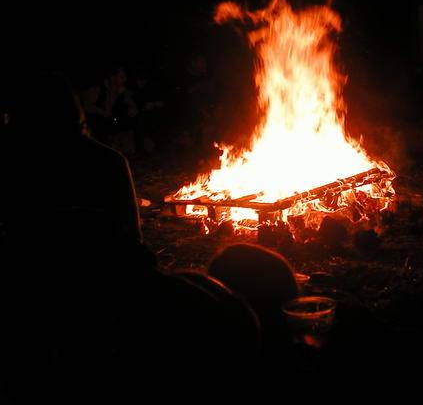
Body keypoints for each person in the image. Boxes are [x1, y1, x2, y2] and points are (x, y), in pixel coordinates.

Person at [0, 73, 260, 402]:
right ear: (75, 112)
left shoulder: (13, 164)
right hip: (107, 288)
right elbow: (131, 243)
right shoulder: (105, 162)